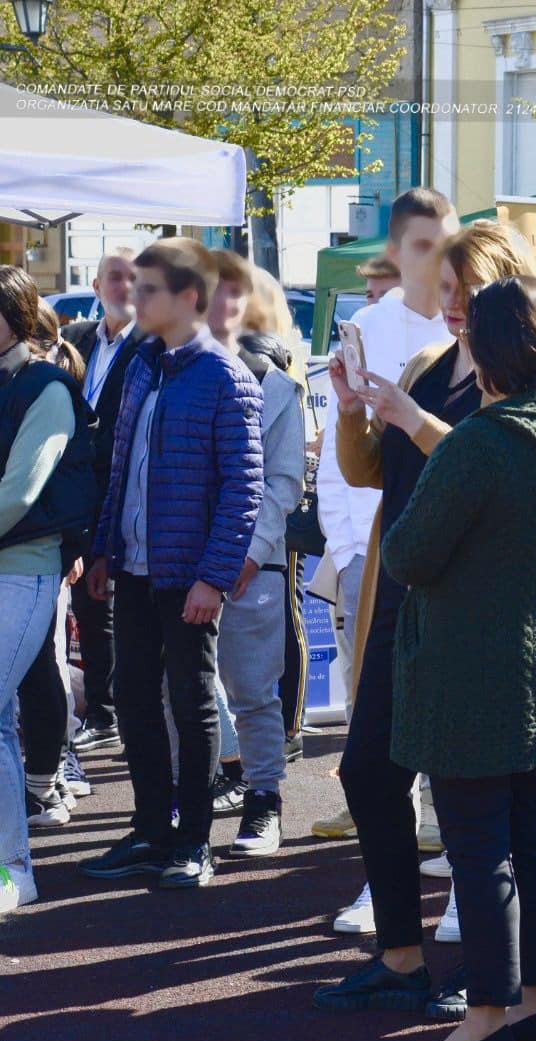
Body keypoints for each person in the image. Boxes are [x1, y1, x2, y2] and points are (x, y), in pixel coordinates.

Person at [313, 218, 533, 1018]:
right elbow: (369, 469)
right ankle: (401, 957)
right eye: (446, 289)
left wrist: (408, 416)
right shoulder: (428, 363)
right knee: (370, 771)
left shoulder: (523, 381)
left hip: (471, 612)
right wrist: (352, 411)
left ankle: (490, 977)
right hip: (401, 600)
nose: (451, 306)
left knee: (476, 808)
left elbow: (498, 475)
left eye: (467, 292)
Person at [382, 276, 536, 1041]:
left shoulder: (482, 438)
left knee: (479, 847)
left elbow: (408, 553)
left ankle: (484, 1016)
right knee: (534, 837)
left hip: (466, 665)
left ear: (491, 353)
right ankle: (534, 1006)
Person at [77, 238, 265, 890]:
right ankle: (151, 827)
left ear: (189, 297)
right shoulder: (142, 367)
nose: (136, 298)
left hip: (187, 574)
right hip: (131, 567)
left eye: (150, 288)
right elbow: (121, 468)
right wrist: (103, 548)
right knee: (131, 694)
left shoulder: (226, 376)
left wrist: (213, 577)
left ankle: (193, 842)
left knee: (191, 702)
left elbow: (245, 488)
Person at [313, 188, 457, 874]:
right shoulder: (367, 324)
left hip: (453, 561)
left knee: (447, 721)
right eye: (424, 245)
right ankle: (385, 876)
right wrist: (345, 553)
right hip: (374, 556)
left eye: (446, 242)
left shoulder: (476, 336)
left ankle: (438, 829)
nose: (437, 261)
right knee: (375, 724)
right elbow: (344, 461)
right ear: (397, 252)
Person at [0, 266, 97, 910]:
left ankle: (14, 871)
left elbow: (21, 492)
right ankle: (13, 871)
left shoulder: (47, 387)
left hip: (25, 569)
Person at [205, 250, 307, 856]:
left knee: (252, 690)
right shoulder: (168, 368)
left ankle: (264, 801)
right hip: (182, 566)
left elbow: (284, 482)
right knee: (181, 690)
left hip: (252, 567)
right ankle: (192, 797)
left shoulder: (272, 382)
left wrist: (248, 553)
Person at [60, 249, 146, 754]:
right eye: (116, 277)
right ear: (96, 286)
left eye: (136, 277)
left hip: (120, 491)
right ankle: (97, 707)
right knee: (84, 604)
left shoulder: (151, 347)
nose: (126, 285)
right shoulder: (74, 340)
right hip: (75, 492)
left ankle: (109, 710)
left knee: (108, 603)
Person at [16, 306, 91, 829]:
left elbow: (29, 488)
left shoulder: (48, 388)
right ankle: (48, 778)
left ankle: (47, 779)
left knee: (44, 667)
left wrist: (77, 546)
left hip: (37, 555)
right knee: (43, 665)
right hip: (34, 552)